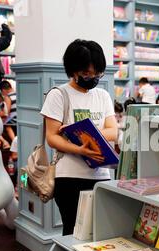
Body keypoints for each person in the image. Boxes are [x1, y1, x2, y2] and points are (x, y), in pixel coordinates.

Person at [41, 39, 118, 236]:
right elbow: (52, 137)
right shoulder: (58, 95)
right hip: (69, 177)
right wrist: (79, 149)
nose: (91, 77)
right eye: (86, 73)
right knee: (73, 231)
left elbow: (113, 131)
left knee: (99, 231)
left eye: (96, 73)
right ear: (73, 70)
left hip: (101, 175)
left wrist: (85, 134)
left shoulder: (102, 96)